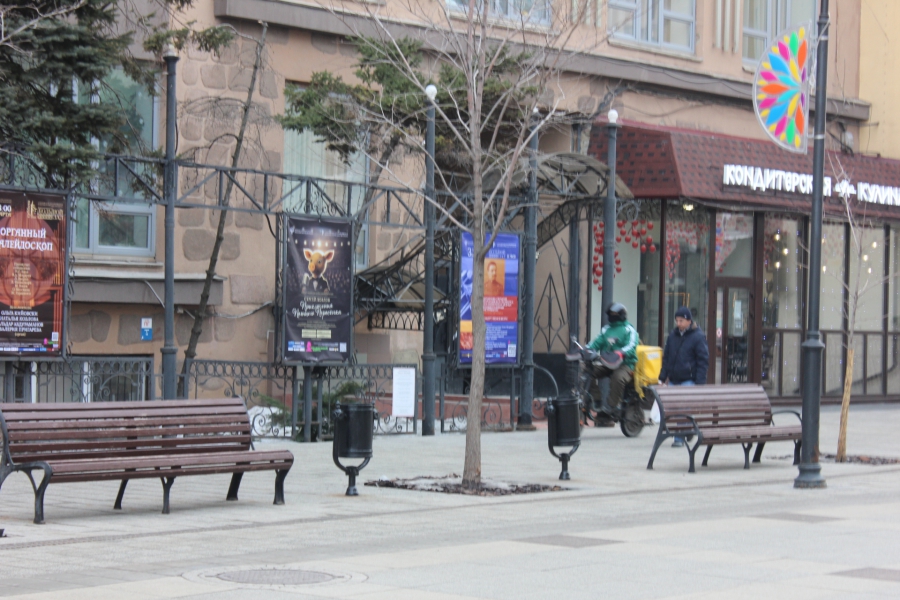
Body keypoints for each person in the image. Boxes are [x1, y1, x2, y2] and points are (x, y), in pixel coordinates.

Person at [659, 306, 709, 447]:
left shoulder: (697, 337)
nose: (678, 323)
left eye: (681, 320)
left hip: (689, 379)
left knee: (682, 409)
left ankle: (679, 438)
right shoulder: (673, 336)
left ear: (688, 321)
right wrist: (662, 377)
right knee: (674, 409)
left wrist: (699, 382)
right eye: (677, 320)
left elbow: (703, 360)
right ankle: (688, 429)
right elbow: (667, 358)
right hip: (674, 378)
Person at [587, 302, 640, 419]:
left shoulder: (629, 330)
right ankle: (596, 400)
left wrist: (620, 353)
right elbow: (596, 343)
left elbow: (632, 346)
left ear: (622, 315)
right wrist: (586, 350)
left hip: (625, 364)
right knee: (586, 371)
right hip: (607, 362)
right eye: (611, 314)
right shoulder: (606, 329)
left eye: (615, 314)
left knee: (618, 377)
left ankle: (611, 407)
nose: (612, 316)